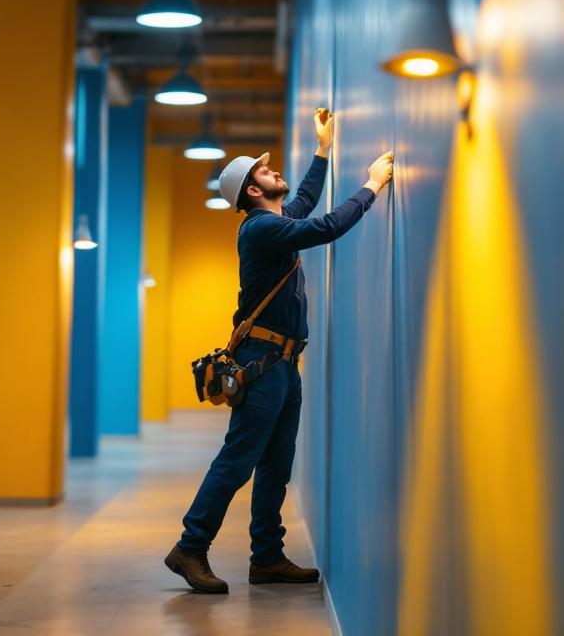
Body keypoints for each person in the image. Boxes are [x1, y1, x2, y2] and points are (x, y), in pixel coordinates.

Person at [164, 108, 395, 593]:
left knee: (276, 465)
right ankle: (190, 546)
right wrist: (372, 186)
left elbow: (307, 200)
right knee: (238, 460)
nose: (274, 172)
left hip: (283, 365)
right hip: (262, 364)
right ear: (252, 190)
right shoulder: (260, 230)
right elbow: (327, 225)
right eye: (266, 171)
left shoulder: (274, 219)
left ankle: (266, 556)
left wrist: (323, 150)